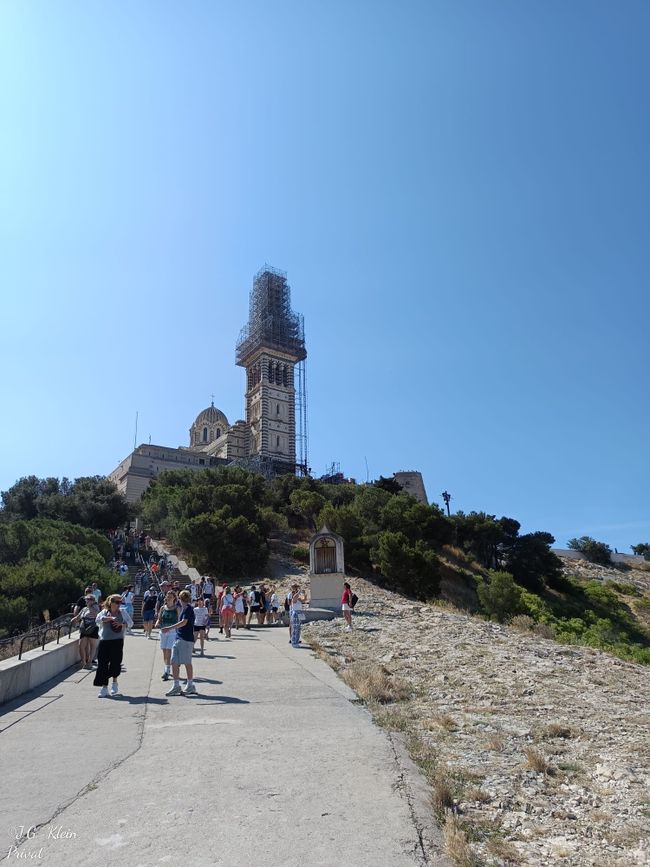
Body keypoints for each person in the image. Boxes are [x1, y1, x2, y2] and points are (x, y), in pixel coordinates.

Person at [94, 595, 132, 698]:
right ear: (111, 602)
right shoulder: (104, 612)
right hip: (104, 641)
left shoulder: (123, 612)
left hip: (117, 641)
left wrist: (122, 624)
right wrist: (108, 618)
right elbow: (97, 620)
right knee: (102, 664)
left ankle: (115, 681)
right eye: (117, 602)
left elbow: (130, 623)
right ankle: (104, 687)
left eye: (120, 602)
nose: (119, 604)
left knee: (115, 663)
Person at [163, 590, 197, 696]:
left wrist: (169, 628)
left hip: (186, 639)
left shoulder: (188, 609)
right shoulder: (183, 608)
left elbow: (184, 622)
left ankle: (190, 685)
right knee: (174, 662)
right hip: (179, 638)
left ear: (179, 598)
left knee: (187, 662)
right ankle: (176, 685)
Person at [155, 590, 180, 681]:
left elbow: (179, 620)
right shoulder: (162, 608)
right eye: (167, 596)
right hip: (163, 631)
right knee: (164, 650)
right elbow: (159, 619)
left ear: (174, 598)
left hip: (172, 631)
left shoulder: (177, 608)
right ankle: (167, 667)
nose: (168, 597)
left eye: (170, 596)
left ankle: (167, 670)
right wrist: (157, 623)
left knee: (169, 650)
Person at [71, 593, 100, 669]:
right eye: (86, 599)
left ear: (93, 601)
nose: (87, 601)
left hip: (93, 627)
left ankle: (89, 662)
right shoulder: (84, 609)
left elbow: (96, 614)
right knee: (81, 645)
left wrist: (90, 606)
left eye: (89, 599)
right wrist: (74, 619)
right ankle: (83, 661)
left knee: (92, 645)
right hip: (84, 628)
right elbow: (78, 617)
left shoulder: (95, 607)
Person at [288, 583, 306, 648]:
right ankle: (294, 642)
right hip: (295, 613)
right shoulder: (293, 597)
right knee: (295, 628)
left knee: (298, 629)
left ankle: (296, 641)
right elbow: (294, 598)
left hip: (299, 613)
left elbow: (304, 600)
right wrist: (299, 591)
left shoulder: (298, 598)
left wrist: (304, 594)